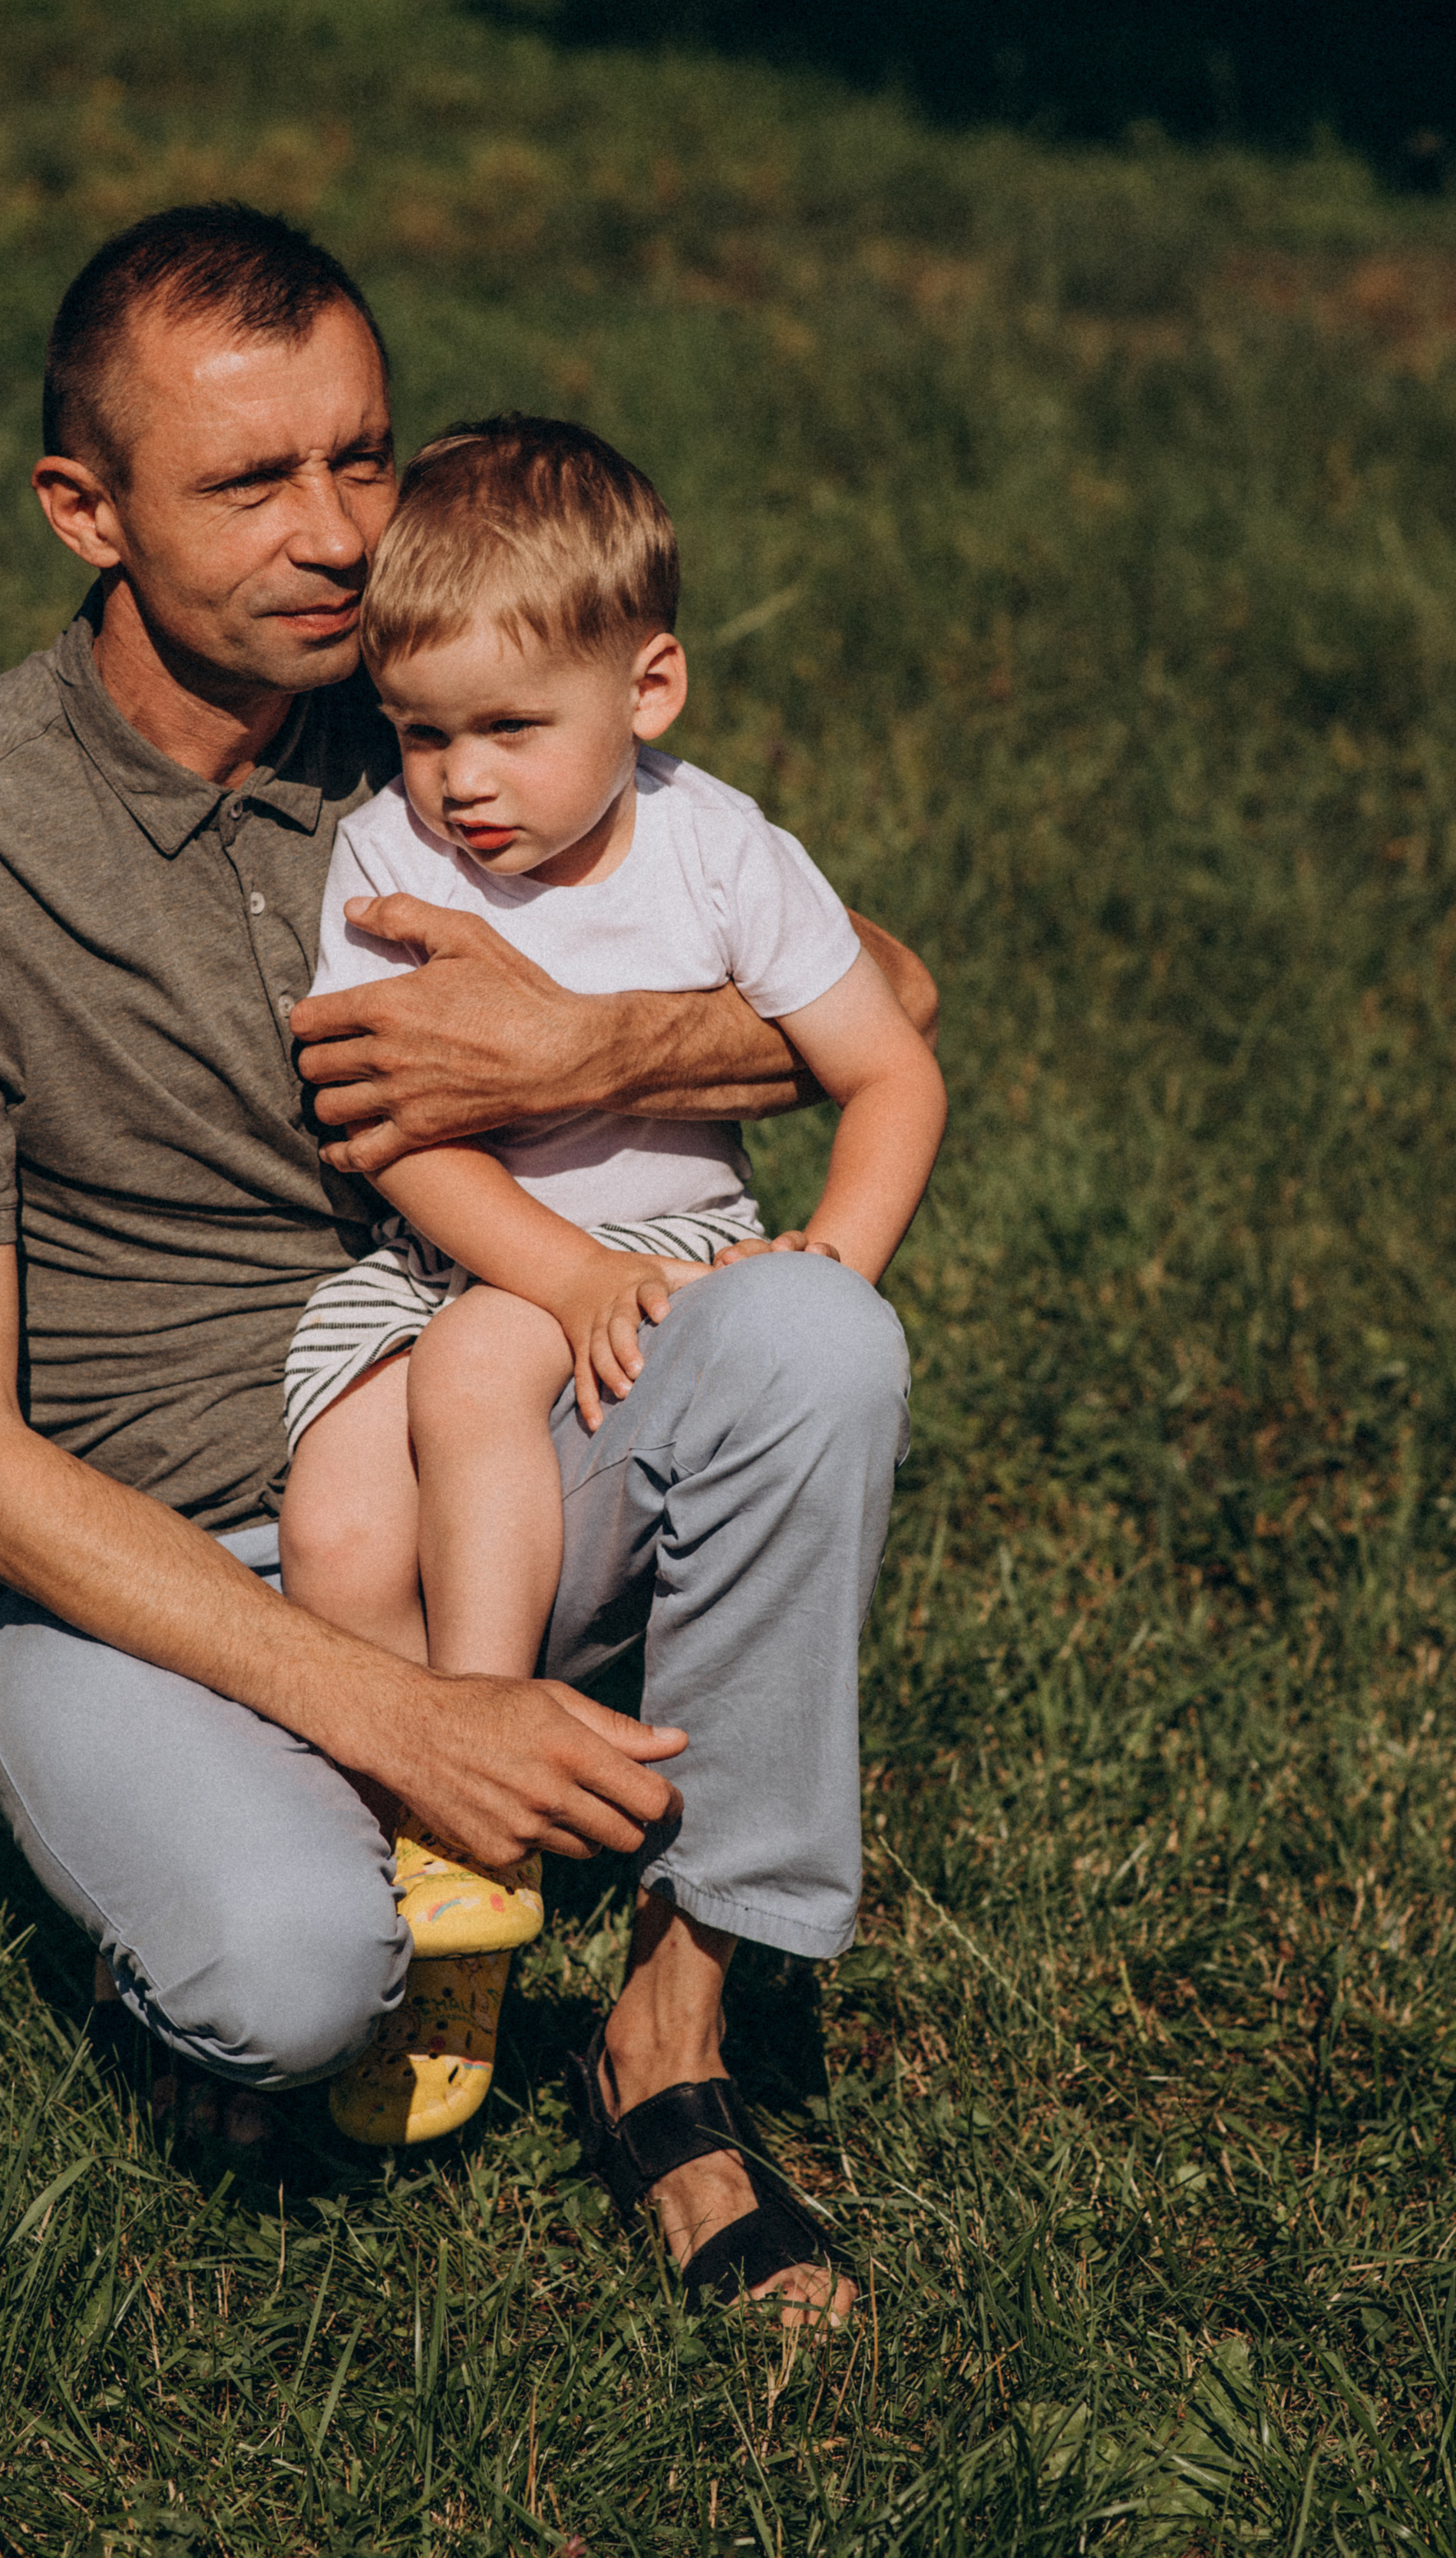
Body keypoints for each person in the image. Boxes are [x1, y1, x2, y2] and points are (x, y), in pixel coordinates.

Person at [0, 201, 935, 2325]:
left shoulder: (448, 709)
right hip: (120, 1566)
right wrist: (409, 1719)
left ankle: (679, 2033)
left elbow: (895, 993)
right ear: (84, 511)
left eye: (365, 456)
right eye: (251, 481)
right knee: (291, 1978)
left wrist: (598, 1044)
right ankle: (227, 1842)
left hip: (472, 1460)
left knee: (809, 1336)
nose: (337, 535)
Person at [276, 416, 945, 2144]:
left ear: (646, 689)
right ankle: (406, 1869)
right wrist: (544, 1266)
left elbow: (890, 1068)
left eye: (508, 728)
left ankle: (473, 1815)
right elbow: (394, 1135)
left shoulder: (720, 854)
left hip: (648, 1261)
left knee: (476, 1376)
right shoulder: (385, 857)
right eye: (420, 731)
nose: (459, 779)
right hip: (444, 1249)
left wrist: (829, 1268)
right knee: (340, 1516)